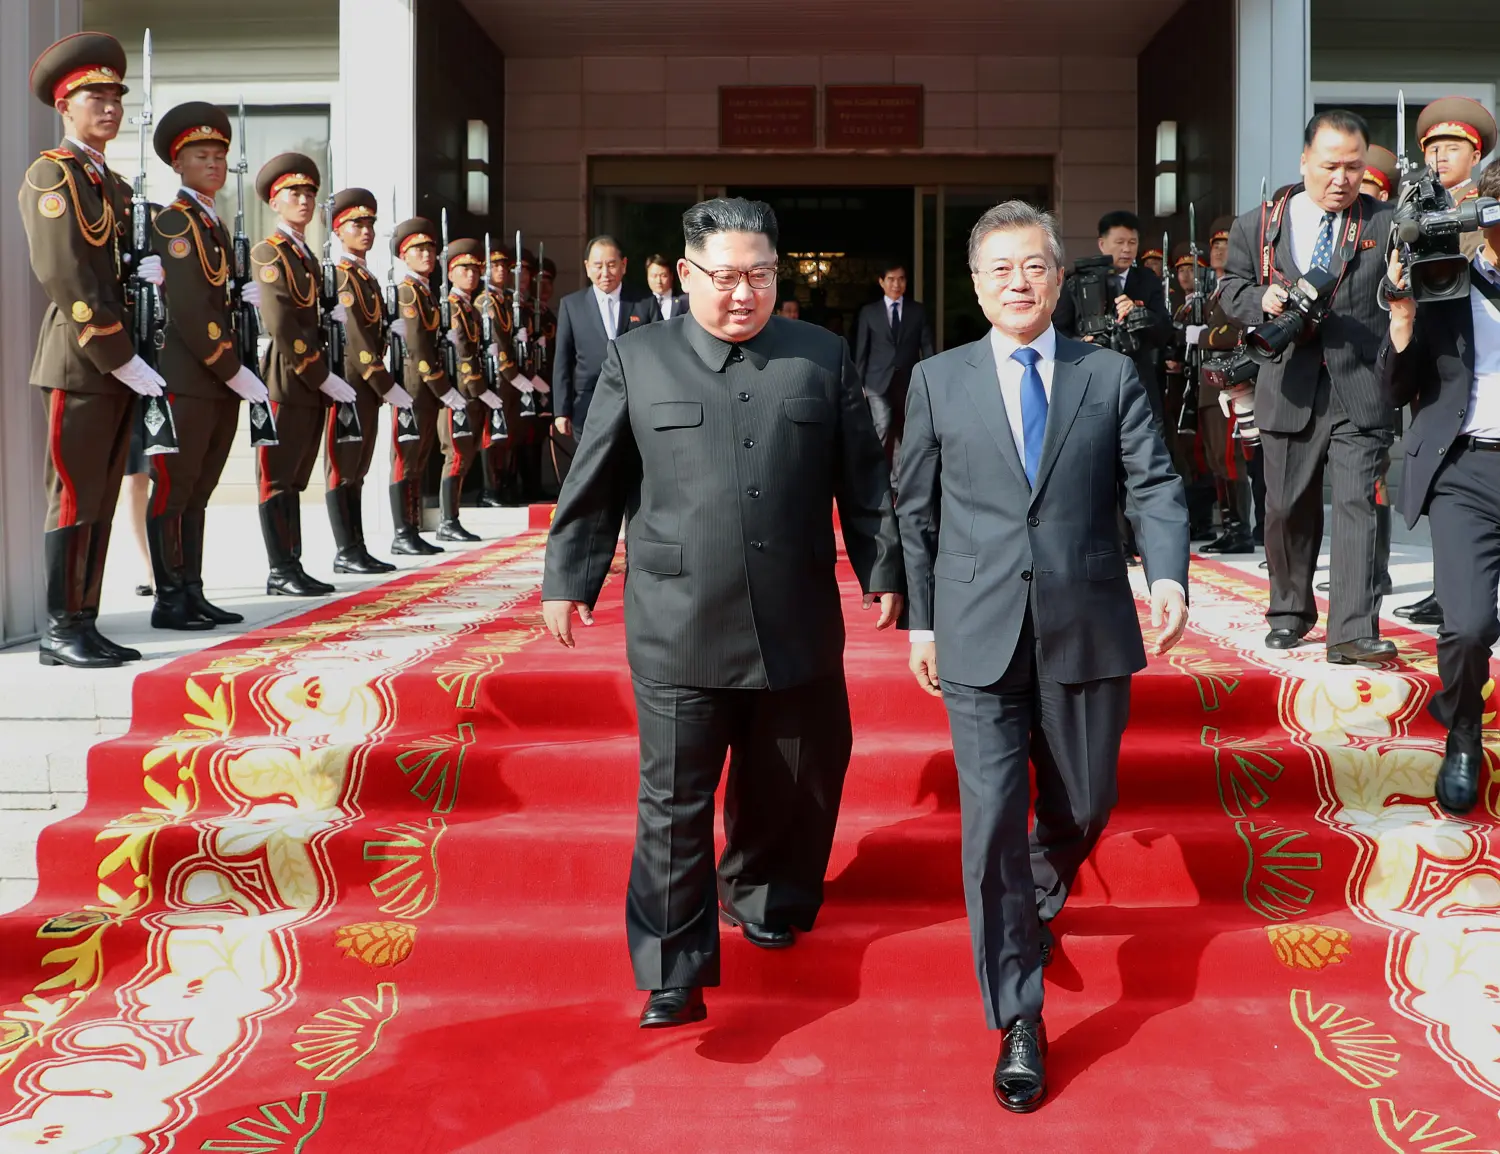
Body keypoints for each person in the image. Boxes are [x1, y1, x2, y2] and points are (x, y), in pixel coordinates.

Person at [540, 197, 904, 1030]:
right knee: (672, 800)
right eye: (727, 277)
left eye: (762, 276)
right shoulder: (641, 358)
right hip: (678, 617)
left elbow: (864, 478)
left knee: (795, 778)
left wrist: (887, 567)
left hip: (795, 614)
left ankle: (766, 894)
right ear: (689, 272)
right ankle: (673, 967)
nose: (744, 294)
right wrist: (569, 576)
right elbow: (592, 484)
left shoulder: (820, 356)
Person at [896, 199, 1188, 1113]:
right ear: (976, 286)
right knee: (989, 827)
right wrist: (921, 620)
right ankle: (1020, 1016)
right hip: (977, 630)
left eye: (1034, 267)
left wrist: (1169, 574)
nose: (1018, 283)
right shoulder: (938, 381)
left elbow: (1153, 479)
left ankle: (1030, 909)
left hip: (1087, 618)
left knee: (1087, 801)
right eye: (999, 270)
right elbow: (914, 509)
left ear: (1060, 278)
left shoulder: (1107, 376)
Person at [1218, 110, 1396, 664]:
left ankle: (1352, 630)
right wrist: (1261, 303)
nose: (1341, 179)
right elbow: (1230, 288)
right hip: (1289, 383)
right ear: (1304, 160)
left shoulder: (1383, 223)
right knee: (1285, 507)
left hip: (1359, 384)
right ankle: (1290, 612)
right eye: (1329, 166)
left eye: (1353, 167)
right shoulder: (1258, 224)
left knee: (1355, 507)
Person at [21, 31, 166, 668]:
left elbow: (114, 266)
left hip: (116, 363)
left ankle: (85, 619)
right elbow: (66, 275)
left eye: (115, 97)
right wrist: (116, 353)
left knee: (104, 495)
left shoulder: (114, 184)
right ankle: (59, 629)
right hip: (82, 361)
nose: (109, 107)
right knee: (76, 494)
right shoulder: (54, 174)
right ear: (65, 105)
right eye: (93, 96)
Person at [1378, 158, 1500, 816]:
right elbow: (1397, 388)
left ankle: (1457, 692)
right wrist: (1401, 320)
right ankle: (1462, 733)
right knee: (1467, 624)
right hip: (1467, 467)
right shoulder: (1443, 279)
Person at [147, 101, 270, 629]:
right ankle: (168, 597)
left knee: (199, 489)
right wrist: (232, 367)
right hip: (190, 376)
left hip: (215, 380)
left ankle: (191, 589)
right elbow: (191, 308)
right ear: (178, 164)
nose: (215, 164)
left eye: (220, 155)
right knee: (174, 488)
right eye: (202, 156)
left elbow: (215, 295)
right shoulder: (174, 220)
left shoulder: (213, 222)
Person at [250, 153, 357, 597]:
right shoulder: (269, 252)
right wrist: (321, 375)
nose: (305, 201)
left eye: (310, 194)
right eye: (295, 193)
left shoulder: (306, 255)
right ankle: (280, 569)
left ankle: (292, 563)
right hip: (286, 378)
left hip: (309, 382)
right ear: (275, 201)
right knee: (277, 476)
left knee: (296, 477)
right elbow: (283, 325)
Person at [327, 187, 410, 574]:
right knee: (343, 466)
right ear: (337, 230)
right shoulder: (343, 276)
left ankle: (356, 546)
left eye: (369, 224)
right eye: (355, 224)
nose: (365, 231)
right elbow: (358, 341)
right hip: (349, 385)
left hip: (365, 390)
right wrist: (385, 382)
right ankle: (346, 550)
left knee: (358, 467)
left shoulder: (366, 277)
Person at [1054, 210, 1175, 432]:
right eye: (1119, 242)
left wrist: (1141, 314)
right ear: (1102, 244)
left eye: (1132, 242)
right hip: (1092, 378)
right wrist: (1080, 341)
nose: (1127, 249)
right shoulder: (1078, 281)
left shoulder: (1147, 280)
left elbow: (1165, 331)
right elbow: (1057, 328)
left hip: (1139, 379)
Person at [389, 216, 460, 555]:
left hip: (426, 392)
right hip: (415, 388)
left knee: (418, 459)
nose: (427, 254)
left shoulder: (426, 293)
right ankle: (403, 532)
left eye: (430, 248)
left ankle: (412, 528)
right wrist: (442, 386)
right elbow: (417, 348)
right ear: (404, 254)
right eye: (418, 249)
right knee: (406, 457)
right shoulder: (408, 291)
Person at [1184, 221, 1256, 554]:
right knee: (1215, 457)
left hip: (1230, 381)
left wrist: (1202, 336)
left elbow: (1240, 332)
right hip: (1209, 383)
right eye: (1214, 246)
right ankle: (1229, 526)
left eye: (1225, 245)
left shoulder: (1240, 288)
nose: (1218, 251)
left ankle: (1239, 529)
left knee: (1229, 458)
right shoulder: (1214, 289)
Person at [437, 237, 504, 542]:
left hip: (471, 395)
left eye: (475, 270)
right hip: (459, 394)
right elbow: (463, 352)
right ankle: (447, 521)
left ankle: (452, 518)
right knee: (456, 455)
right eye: (463, 269)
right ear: (450, 273)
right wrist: (479, 389)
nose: (471, 275)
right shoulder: (451, 308)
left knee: (465, 454)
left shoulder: (471, 309)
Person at [552, 235, 644, 440]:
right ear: (587, 267)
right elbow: (563, 361)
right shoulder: (572, 305)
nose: (605, 273)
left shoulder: (644, 302)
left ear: (624, 265)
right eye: (598, 265)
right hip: (587, 405)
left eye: (611, 265)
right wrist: (561, 410)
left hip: (636, 405)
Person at [853, 259, 934, 464]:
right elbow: (862, 349)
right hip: (876, 381)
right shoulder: (869, 312)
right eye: (891, 279)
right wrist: (858, 383)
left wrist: (931, 378)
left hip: (907, 380)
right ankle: (876, 475)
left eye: (900, 279)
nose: (896, 284)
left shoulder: (917, 311)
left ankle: (898, 482)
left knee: (904, 428)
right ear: (881, 282)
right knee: (883, 423)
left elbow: (927, 347)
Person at [641, 252, 688, 320]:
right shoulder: (640, 303)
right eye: (654, 276)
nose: (658, 281)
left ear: (671, 276)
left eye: (663, 276)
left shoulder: (685, 300)